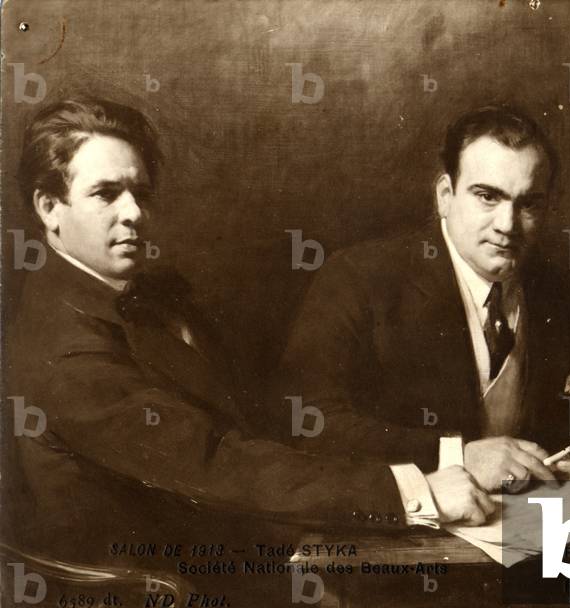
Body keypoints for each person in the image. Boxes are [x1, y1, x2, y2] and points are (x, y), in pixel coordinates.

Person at [6, 97, 495, 571]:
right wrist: (414, 493)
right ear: (49, 207)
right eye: (105, 193)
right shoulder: (63, 347)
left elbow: (270, 423)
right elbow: (215, 462)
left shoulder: (150, 298)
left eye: (141, 193)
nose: (133, 212)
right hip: (172, 597)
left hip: (249, 552)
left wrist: (451, 455)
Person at [280, 104, 570, 493]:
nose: (507, 225)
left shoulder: (557, 291)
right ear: (445, 196)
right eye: (488, 196)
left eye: (528, 204)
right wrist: (455, 456)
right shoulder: (359, 279)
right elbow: (309, 423)